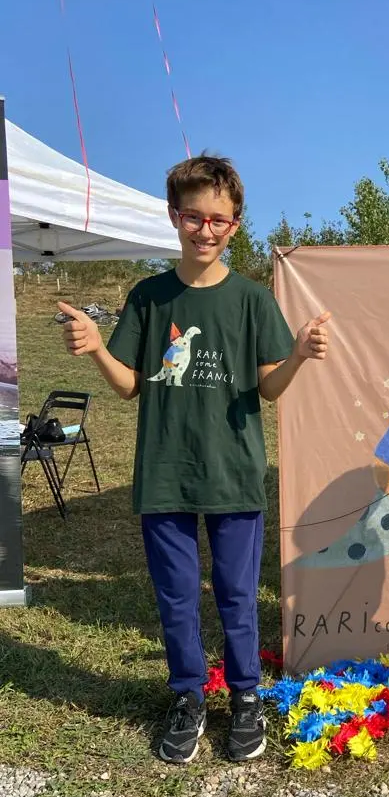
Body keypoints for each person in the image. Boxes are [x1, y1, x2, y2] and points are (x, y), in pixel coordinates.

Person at [58, 155, 331, 765]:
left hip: (234, 473)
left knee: (237, 594)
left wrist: (300, 356)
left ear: (235, 224)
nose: (205, 230)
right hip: (164, 474)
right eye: (193, 217)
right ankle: (187, 697)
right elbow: (130, 384)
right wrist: (99, 347)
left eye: (218, 220)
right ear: (174, 216)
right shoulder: (150, 297)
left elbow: (268, 387)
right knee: (176, 596)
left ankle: (244, 698)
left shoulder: (253, 300)